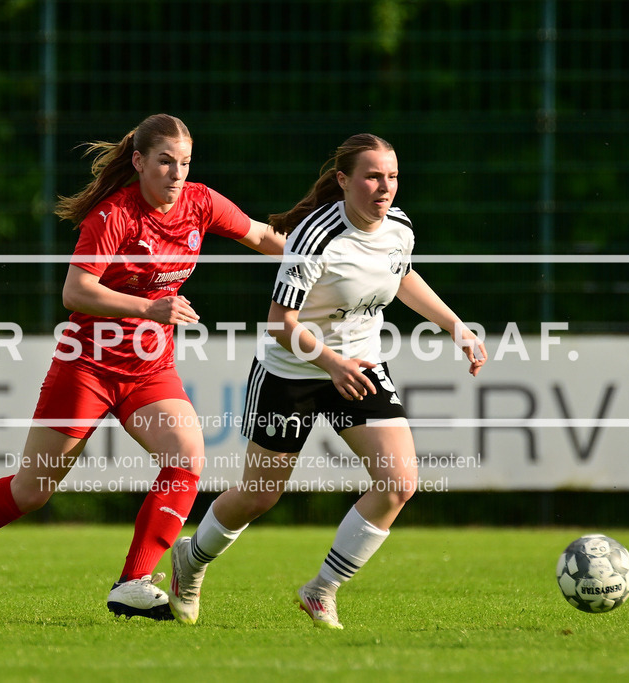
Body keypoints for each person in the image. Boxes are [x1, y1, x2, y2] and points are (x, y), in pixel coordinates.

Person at [0, 113, 286, 620]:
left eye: (185, 163)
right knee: (32, 491)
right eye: (165, 161)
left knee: (187, 457)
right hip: (87, 365)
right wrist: (150, 308)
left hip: (150, 369)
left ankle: (133, 581)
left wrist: (326, 262)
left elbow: (263, 237)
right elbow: (75, 291)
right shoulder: (113, 216)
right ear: (139, 161)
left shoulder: (200, 201)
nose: (176, 173)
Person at [165, 133, 487, 629]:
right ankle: (191, 560)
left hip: (359, 367)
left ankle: (322, 589)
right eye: (373, 177)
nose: (385, 188)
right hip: (291, 371)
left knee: (399, 482)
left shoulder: (399, 227)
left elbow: (402, 276)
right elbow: (280, 323)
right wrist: (331, 362)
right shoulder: (316, 237)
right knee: (259, 495)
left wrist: (454, 325)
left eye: (393, 177)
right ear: (344, 180)